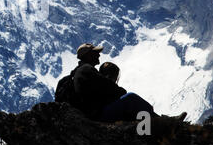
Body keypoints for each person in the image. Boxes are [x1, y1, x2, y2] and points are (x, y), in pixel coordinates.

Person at [55, 43, 187, 123]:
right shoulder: (86, 70)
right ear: (88, 56)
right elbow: (111, 88)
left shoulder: (77, 73)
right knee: (130, 98)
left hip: (89, 114)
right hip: (96, 116)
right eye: (95, 53)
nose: (98, 55)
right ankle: (164, 123)